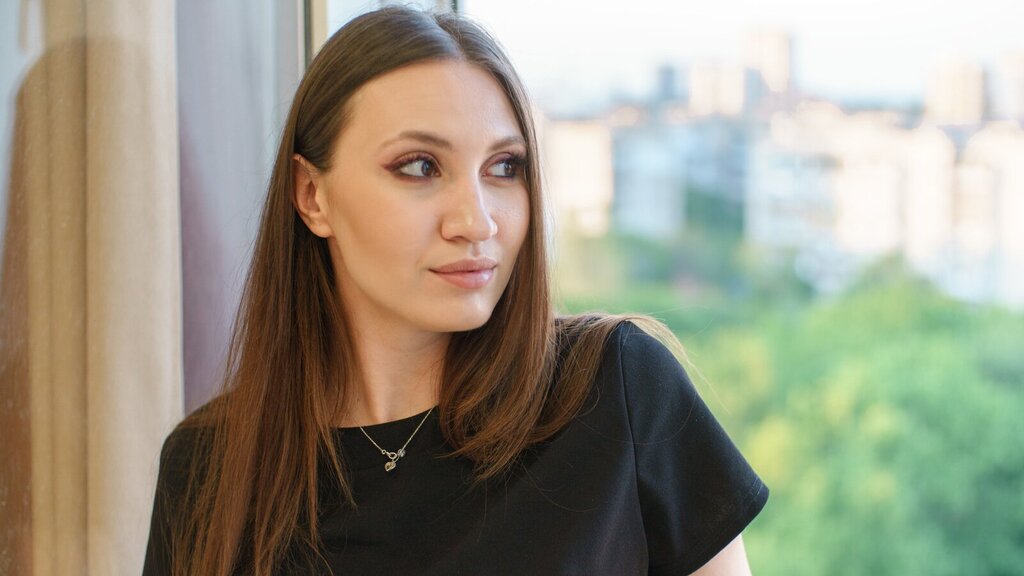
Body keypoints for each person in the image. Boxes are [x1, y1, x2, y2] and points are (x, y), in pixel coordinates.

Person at [143, 6, 768, 575]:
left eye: (504, 168)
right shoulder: (208, 468)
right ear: (313, 196)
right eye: (420, 167)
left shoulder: (614, 391)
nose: (476, 222)